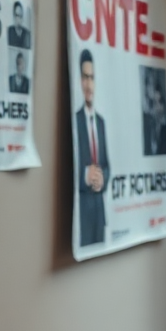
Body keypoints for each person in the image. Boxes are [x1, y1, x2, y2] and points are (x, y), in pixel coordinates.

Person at [74, 50, 110, 247]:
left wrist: (102, 178)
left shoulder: (101, 123)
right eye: (85, 77)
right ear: (79, 80)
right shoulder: (75, 121)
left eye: (92, 78)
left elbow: (107, 166)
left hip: (99, 214)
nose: (89, 85)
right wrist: (85, 176)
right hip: (83, 216)